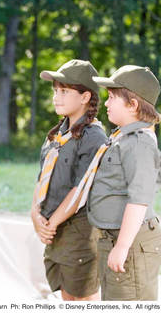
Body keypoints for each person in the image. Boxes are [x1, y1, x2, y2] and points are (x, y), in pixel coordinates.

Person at [68, 65, 161, 300]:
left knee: (129, 299)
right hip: (114, 239)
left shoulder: (139, 143)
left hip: (129, 245)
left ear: (133, 105)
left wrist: (122, 247)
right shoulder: (122, 138)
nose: (106, 103)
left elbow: (139, 201)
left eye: (111, 98)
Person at [31, 59, 107, 301]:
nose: (56, 97)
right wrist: (35, 214)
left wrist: (51, 223)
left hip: (79, 232)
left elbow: (80, 189)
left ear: (85, 97)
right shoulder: (57, 133)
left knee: (83, 298)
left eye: (64, 91)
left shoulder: (94, 136)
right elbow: (42, 177)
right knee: (67, 296)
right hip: (55, 230)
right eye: (55, 91)